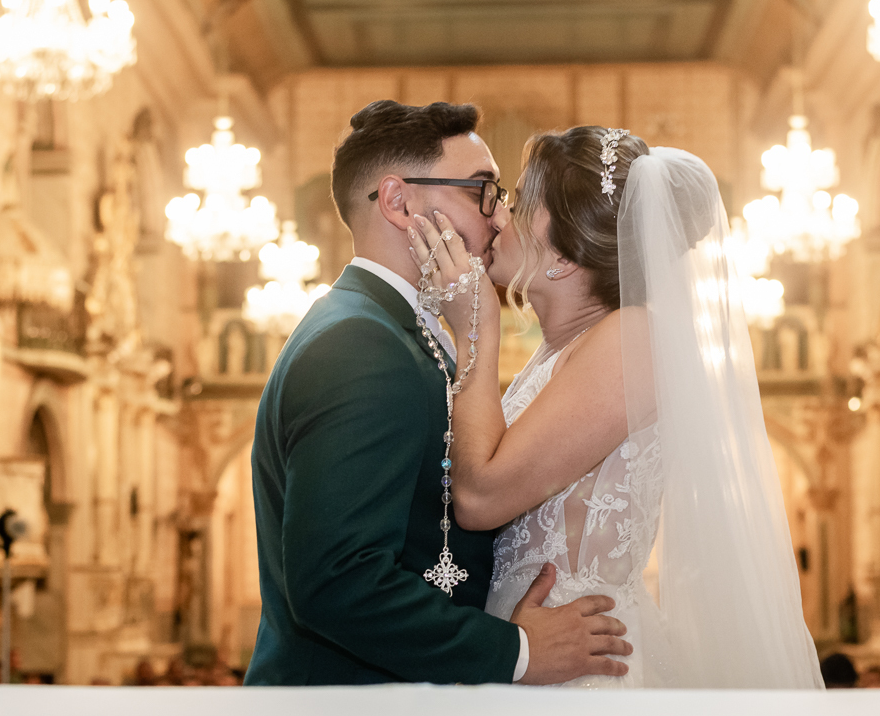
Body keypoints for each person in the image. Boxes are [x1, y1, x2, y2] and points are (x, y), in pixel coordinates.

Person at [408, 126, 824, 688]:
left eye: (518, 201)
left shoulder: (634, 338)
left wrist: (475, 329)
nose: (497, 216)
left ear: (563, 257)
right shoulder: (562, 352)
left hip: (585, 672)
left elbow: (480, 497)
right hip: (535, 658)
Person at [244, 101, 632, 686]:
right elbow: (339, 580)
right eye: (480, 190)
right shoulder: (360, 345)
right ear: (399, 203)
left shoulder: (402, 333)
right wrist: (517, 652)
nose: (498, 214)